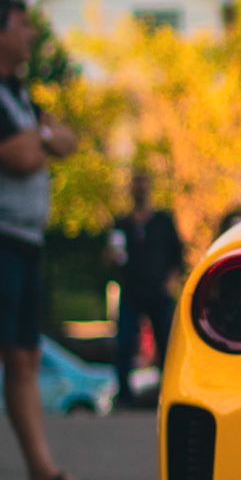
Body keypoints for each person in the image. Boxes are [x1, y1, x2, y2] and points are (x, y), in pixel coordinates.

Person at [0, 0, 107, 480]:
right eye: (22, 25)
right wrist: (42, 138)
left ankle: (43, 477)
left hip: (19, 239)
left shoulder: (12, 94)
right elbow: (17, 156)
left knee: (23, 357)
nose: (31, 35)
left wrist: (40, 137)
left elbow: (67, 140)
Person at [108, 171, 184, 407]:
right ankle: (124, 395)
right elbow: (111, 259)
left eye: (143, 184)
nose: (139, 190)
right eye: (136, 184)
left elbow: (178, 255)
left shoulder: (163, 221)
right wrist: (111, 257)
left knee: (165, 343)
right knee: (124, 343)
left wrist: (169, 281)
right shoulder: (122, 224)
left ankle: (169, 393)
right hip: (131, 291)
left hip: (158, 291)